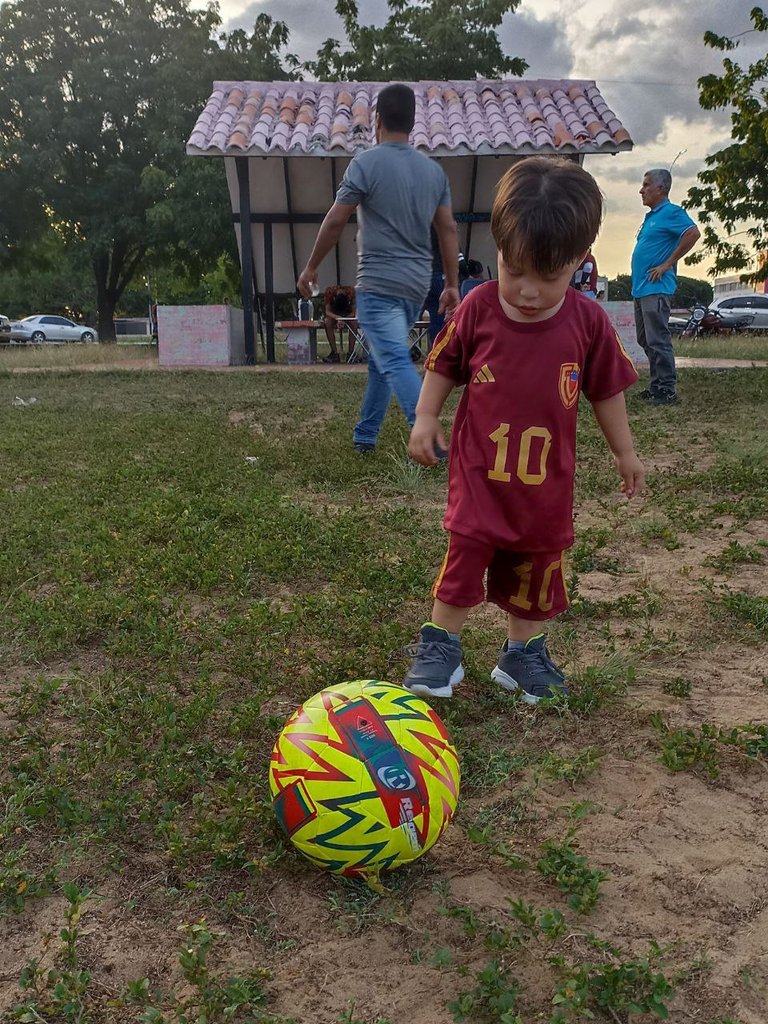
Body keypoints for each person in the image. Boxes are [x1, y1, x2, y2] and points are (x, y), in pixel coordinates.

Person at [402, 157, 645, 703]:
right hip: (479, 475)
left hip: (545, 485)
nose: (528, 291)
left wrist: (624, 452)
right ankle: (441, 644)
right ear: (497, 249)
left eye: (549, 276)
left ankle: (522, 654)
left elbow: (606, 391)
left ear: (579, 263)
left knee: (535, 569)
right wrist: (425, 417)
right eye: (514, 270)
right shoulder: (478, 308)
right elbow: (444, 365)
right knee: (466, 554)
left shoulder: (588, 323)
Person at [297, 83, 460, 453]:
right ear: (414, 122)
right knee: (382, 359)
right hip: (416, 285)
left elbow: (336, 220)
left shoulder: (365, 163)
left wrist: (310, 268)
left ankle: (428, 435)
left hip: (378, 283)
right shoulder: (433, 172)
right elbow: (448, 229)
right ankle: (365, 436)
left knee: (391, 356)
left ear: (378, 120)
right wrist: (452, 283)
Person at [632, 168, 700, 406]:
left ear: (661, 188)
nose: (642, 190)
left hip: (656, 288)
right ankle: (656, 386)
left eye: (647, 185)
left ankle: (667, 390)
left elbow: (692, 233)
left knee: (658, 339)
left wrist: (667, 264)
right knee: (644, 339)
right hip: (641, 288)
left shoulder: (671, 212)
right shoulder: (652, 217)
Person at [322, 285, 356, 363]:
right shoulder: (329, 293)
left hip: (347, 314)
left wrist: (344, 318)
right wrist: (338, 318)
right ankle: (334, 353)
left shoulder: (351, 293)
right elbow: (327, 312)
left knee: (354, 323)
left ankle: (351, 353)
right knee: (327, 322)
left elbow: (353, 313)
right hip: (334, 314)